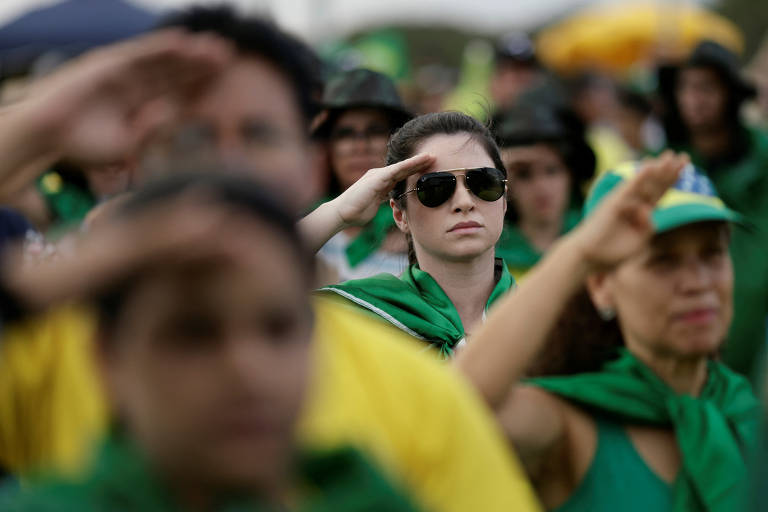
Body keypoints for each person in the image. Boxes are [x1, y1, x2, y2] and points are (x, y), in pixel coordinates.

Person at [0, 11, 541, 512]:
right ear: (136, 159)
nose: (226, 163)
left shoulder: (414, 387)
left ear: (309, 166)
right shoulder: (53, 343)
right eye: (193, 136)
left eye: (258, 133)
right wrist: (38, 128)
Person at [3, 172, 422, 511]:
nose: (247, 370)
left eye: (278, 328)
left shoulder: (370, 495)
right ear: (107, 357)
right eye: (193, 334)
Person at [456, 153, 760, 511]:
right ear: (601, 285)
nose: (698, 283)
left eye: (712, 254)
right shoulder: (568, 427)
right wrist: (578, 253)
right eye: (663, 261)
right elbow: (450, 409)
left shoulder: (746, 413)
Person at [303, 111, 511, 357]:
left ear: (504, 200)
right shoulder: (357, 317)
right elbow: (248, 298)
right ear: (400, 215)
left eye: (484, 182)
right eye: (435, 187)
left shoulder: (547, 316)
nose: (464, 202)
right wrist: (338, 212)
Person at [659, 40, 768, 380]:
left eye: (706, 87)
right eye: (685, 87)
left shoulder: (763, 161)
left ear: (731, 94)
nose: (694, 99)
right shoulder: (667, 165)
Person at [313, 68, 412, 281]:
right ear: (328, 147)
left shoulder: (421, 222)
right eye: (345, 134)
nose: (360, 146)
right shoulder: (302, 222)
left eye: (375, 131)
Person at [491, 104, 595, 280]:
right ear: (506, 183)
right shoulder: (488, 255)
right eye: (524, 175)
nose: (541, 186)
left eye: (552, 170)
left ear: (572, 176)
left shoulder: (596, 236)